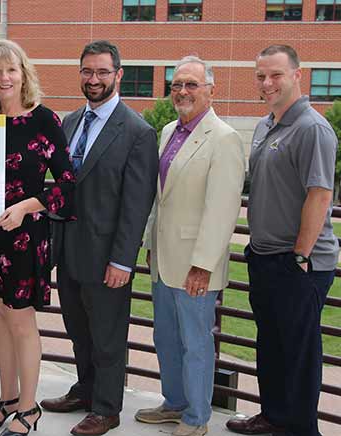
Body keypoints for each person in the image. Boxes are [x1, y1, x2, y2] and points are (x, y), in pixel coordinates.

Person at [40, 40, 159, 436]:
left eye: (102, 72)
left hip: (108, 255)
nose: (94, 79)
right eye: (87, 72)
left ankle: (107, 408)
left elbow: (136, 202)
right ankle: (86, 390)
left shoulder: (138, 132)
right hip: (68, 249)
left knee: (108, 336)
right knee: (78, 329)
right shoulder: (70, 122)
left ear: (118, 75)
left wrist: (123, 261)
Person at [225, 45, 338, 436]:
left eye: (275, 75)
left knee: (299, 352)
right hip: (264, 255)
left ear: (297, 75)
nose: (267, 83)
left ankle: (302, 428)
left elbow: (320, 195)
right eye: (261, 76)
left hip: (298, 262)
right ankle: (273, 416)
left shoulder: (312, 128)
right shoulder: (265, 125)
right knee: (271, 344)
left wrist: (301, 256)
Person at [135, 56, 245, 436]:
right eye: (177, 83)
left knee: (195, 344)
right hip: (164, 259)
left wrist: (202, 264)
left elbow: (222, 209)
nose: (182, 91)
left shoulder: (225, 138)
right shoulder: (167, 131)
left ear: (210, 90)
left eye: (192, 84)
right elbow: (160, 198)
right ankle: (175, 403)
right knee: (165, 337)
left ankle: (197, 419)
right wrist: (150, 242)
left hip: (196, 266)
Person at [0, 40, 74, 436]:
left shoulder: (45, 120)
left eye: (10, 69)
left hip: (25, 232)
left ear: (23, 73)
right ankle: (7, 400)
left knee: (21, 321)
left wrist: (26, 207)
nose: (4, 78)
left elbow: (67, 184)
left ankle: (29, 408)